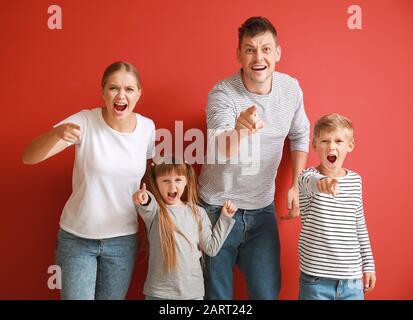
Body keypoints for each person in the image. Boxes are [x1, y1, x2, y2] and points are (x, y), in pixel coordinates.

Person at [22, 61, 155, 300]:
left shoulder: (147, 127)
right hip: (78, 239)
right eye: (113, 88)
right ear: (102, 92)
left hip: (122, 241)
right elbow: (29, 158)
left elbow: (143, 175)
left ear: (139, 93)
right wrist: (56, 133)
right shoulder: (84, 121)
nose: (121, 95)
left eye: (129, 89)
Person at [198, 16, 310, 299]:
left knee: (267, 293)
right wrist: (239, 130)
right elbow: (218, 146)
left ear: (278, 53)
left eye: (265, 49)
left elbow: (299, 135)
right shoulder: (222, 93)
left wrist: (296, 184)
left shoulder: (291, 89)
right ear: (239, 54)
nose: (258, 57)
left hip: (262, 210)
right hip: (216, 208)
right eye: (249, 49)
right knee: (216, 298)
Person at [133, 157, 236, 300]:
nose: (172, 186)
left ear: (186, 180)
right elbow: (146, 202)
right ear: (156, 182)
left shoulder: (198, 212)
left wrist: (225, 218)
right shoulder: (155, 211)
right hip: (158, 293)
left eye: (178, 180)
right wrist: (143, 198)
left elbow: (211, 248)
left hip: (192, 294)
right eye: (165, 180)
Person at [297, 113, 376, 300]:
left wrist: (369, 265)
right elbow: (313, 182)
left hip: (352, 281)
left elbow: (359, 225)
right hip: (315, 281)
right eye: (325, 140)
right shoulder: (306, 177)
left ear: (350, 146)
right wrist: (324, 184)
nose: (331, 146)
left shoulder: (356, 181)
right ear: (315, 145)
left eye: (338, 141)